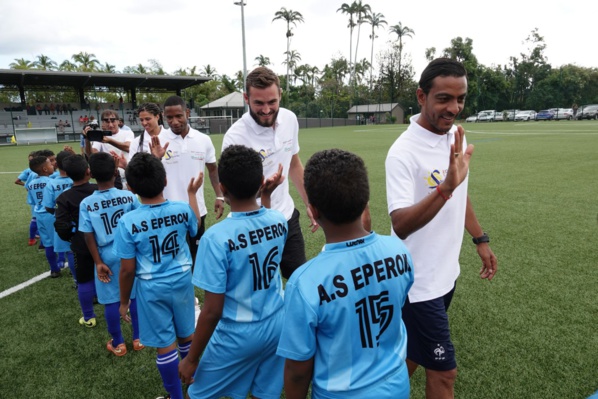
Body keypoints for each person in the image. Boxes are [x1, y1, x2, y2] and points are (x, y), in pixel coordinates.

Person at [385, 58, 497, 399]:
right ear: (421, 96)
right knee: (444, 372)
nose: (455, 108)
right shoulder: (403, 152)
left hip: (446, 274)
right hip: (418, 284)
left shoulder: (455, 138)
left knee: (412, 355)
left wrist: (479, 238)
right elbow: (400, 224)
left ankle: (377, 391)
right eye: (444, 98)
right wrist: (444, 188)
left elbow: (461, 194)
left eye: (460, 98)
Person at [276, 149, 414, 399]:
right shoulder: (399, 251)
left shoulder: (304, 281)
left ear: (313, 210)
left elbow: (297, 370)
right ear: (365, 202)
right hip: (397, 385)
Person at [179, 145, 288, 399]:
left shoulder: (216, 238)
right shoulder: (279, 221)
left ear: (223, 189)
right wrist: (267, 196)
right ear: (262, 183)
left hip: (238, 332)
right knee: (265, 392)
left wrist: (192, 359)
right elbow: (264, 225)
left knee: (198, 394)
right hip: (276, 322)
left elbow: (213, 309)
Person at [114, 152, 202, 399]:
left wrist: (123, 302)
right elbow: (195, 228)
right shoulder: (182, 209)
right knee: (187, 334)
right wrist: (192, 194)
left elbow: (128, 269)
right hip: (183, 280)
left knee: (165, 344)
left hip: (152, 287)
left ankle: (176, 396)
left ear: (130, 187)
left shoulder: (128, 221)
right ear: (165, 180)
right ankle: (195, 387)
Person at [222, 66, 316, 279]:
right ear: (246, 98)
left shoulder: (290, 119)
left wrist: (310, 202)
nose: (266, 110)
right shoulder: (235, 137)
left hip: (286, 217)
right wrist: (262, 191)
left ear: (280, 95)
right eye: (259, 103)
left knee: (299, 280)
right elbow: (230, 197)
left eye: (272, 102)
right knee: (259, 285)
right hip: (252, 226)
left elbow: (293, 163)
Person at [79, 152, 142, 356]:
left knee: (111, 299)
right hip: (130, 252)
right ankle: (138, 338)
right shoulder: (129, 196)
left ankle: (119, 343)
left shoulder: (87, 203)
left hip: (106, 254)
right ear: (116, 171)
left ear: (90, 173)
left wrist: (98, 262)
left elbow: (88, 234)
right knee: (134, 295)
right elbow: (140, 221)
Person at [149, 95, 224, 261]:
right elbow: (150, 177)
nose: (174, 121)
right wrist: (156, 159)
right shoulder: (158, 141)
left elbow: (212, 170)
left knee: (196, 252)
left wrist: (219, 195)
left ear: (187, 113)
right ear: (163, 116)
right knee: (172, 254)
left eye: (179, 116)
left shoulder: (203, 139)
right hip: (167, 211)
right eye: (169, 117)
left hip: (196, 210)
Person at [55, 155, 99, 328]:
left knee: (84, 280)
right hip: (106, 242)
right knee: (113, 276)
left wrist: (73, 237)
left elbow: (61, 226)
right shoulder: (99, 190)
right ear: (88, 171)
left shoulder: (64, 197)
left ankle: (89, 317)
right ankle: (121, 309)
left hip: (82, 245)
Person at [42, 150, 75, 281]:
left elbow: (48, 206)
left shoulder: (51, 183)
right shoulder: (77, 179)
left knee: (69, 250)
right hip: (79, 220)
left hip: (62, 222)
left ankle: (77, 280)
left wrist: (58, 214)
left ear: (57, 165)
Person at [27, 155, 61, 277]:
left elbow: (32, 201)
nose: (52, 165)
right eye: (50, 164)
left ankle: (54, 269)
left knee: (47, 243)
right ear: (45, 169)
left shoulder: (31, 184)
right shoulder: (52, 182)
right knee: (59, 240)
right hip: (51, 214)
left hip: (39, 215)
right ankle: (61, 261)